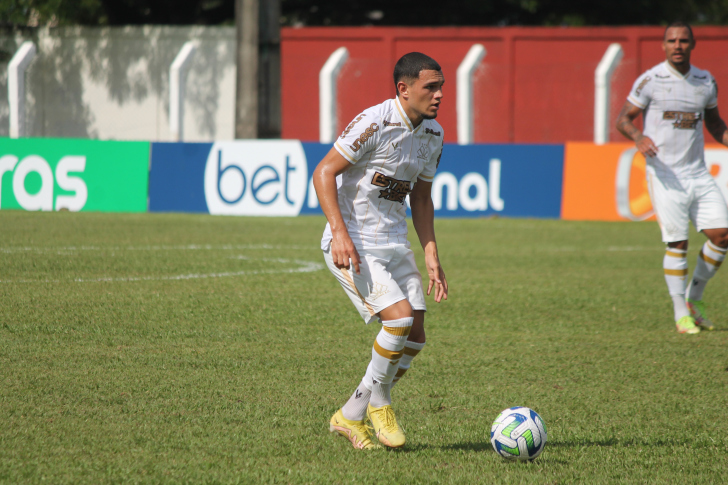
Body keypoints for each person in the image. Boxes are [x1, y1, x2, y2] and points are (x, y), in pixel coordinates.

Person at [313, 52, 449, 449]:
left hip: (394, 242)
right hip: (355, 244)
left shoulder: (434, 135)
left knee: (416, 337)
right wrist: (339, 233)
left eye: (441, 87)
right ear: (403, 90)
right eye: (431, 87)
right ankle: (380, 402)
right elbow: (324, 171)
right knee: (399, 321)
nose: (439, 95)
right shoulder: (374, 121)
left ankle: (350, 415)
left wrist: (431, 253)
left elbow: (421, 198)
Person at [616, 21, 728, 334]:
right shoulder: (650, 80)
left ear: (693, 45)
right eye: (671, 41)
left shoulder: (705, 82)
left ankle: (695, 297)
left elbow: (716, 126)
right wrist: (638, 136)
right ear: (663, 46)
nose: (677, 46)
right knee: (677, 242)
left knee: (722, 236)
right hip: (665, 175)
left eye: (683, 41)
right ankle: (681, 314)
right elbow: (622, 119)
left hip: (697, 173)